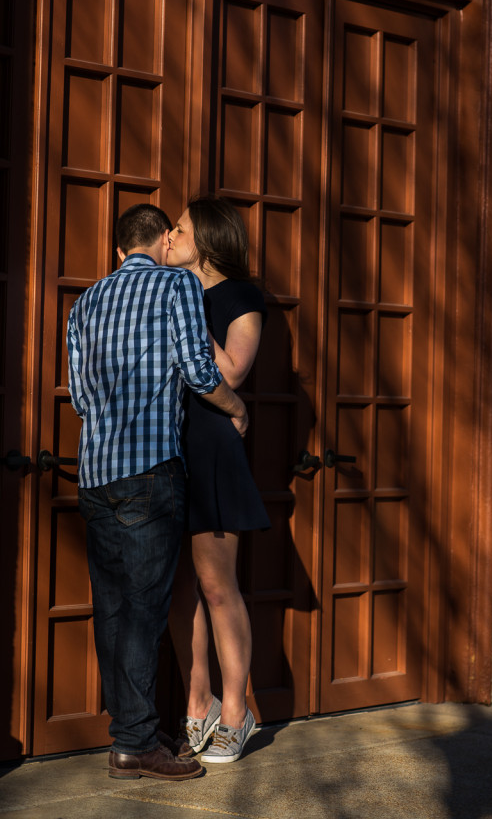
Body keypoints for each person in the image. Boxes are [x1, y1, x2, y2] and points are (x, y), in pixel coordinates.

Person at [67, 203, 248, 782]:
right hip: (151, 471)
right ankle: (137, 744)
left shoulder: (86, 301)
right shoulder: (175, 285)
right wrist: (236, 408)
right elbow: (199, 369)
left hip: (96, 473)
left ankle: (129, 735)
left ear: (119, 250)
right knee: (144, 613)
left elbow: (77, 394)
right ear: (158, 241)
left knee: (114, 612)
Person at [167, 194, 269, 765]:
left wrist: (185, 318)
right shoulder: (169, 292)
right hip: (166, 451)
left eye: (179, 229)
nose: (169, 237)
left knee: (216, 585)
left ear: (206, 242)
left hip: (213, 453)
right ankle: (197, 702)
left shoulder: (239, 296)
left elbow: (230, 369)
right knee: (179, 588)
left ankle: (237, 712)